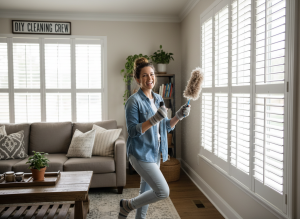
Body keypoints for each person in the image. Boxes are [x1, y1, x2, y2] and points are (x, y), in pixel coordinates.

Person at [119, 57, 191, 219]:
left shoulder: (158, 99)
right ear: (137, 79)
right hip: (139, 153)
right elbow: (132, 131)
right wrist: (153, 119)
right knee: (162, 191)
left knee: (145, 192)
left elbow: (164, 126)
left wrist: (179, 115)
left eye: (151, 74)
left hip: (155, 151)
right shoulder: (133, 101)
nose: (149, 78)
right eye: (144, 75)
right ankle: (127, 205)